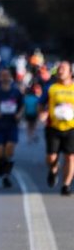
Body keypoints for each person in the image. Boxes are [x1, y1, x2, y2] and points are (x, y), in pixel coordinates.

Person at [0, 67, 24, 188]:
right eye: (3, 75)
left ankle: (6, 175)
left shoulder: (16, 91)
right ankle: (0, 163)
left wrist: (19, 114)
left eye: (7, 75)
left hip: (12, 124)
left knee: (9, 149)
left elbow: (22, 106)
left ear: (11, 77)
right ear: (0, 77)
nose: (5, 78)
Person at [43, 61, 74, 195]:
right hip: (53, 127)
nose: (60, 71)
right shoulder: (51, 88)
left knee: (70, 157)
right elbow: (42, 103)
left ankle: (66, 185)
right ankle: (53, 169)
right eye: (59, 68)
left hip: (71, 127)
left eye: (63, 68)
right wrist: (42, 113)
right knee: (51, 157)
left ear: (70, 72)